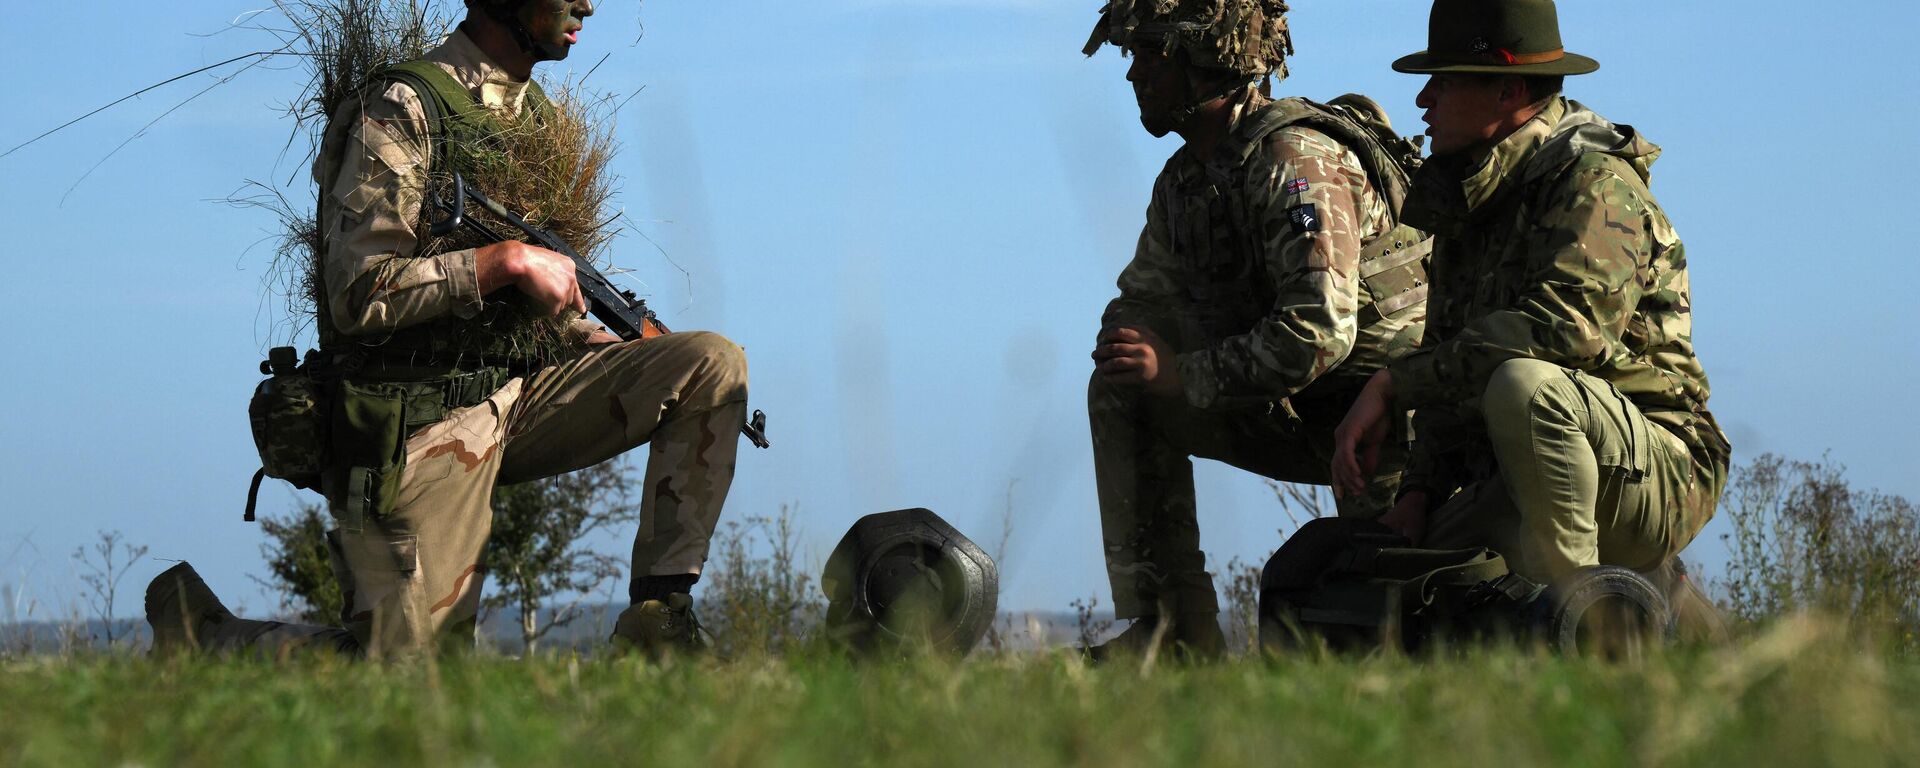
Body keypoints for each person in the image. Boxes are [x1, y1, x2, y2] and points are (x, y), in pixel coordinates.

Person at [147, 0, 752, 659]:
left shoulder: (540, 118)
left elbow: (533, 308)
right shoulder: (404, 104)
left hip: (521, 398)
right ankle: (204, 637)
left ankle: (657, 616)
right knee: (412, 684)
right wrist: (504, 262)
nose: (588, 3)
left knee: (708, 364)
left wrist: (596, 339)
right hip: (420, 420)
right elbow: (357, 293)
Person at [1331, 0, 1730, 629]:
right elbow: (1450, 357)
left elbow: (1565, 328)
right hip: (1532, 469)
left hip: (1659, 468)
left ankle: (1588, 627)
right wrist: (1418, 495)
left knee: (1527, 385)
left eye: (1444, 80)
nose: (1423, 102)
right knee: (1397, 578)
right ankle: (1684, 623)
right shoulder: (1472, 195)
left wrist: (1394, 382)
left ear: (1508, 90)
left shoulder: (1596, 181)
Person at [1081, 0, 1431, 658]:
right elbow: (1140, 296)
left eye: (1150, 57)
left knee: (1384, 627)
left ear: (1205, 60)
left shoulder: (1296, 160)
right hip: (1314, 415)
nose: (1134, 77)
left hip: (1401, 427)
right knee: (1122, 389)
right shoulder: (1187, 183)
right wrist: (1135, 340)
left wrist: (1184, 373)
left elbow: (1319, 332)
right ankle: (1172, 634)